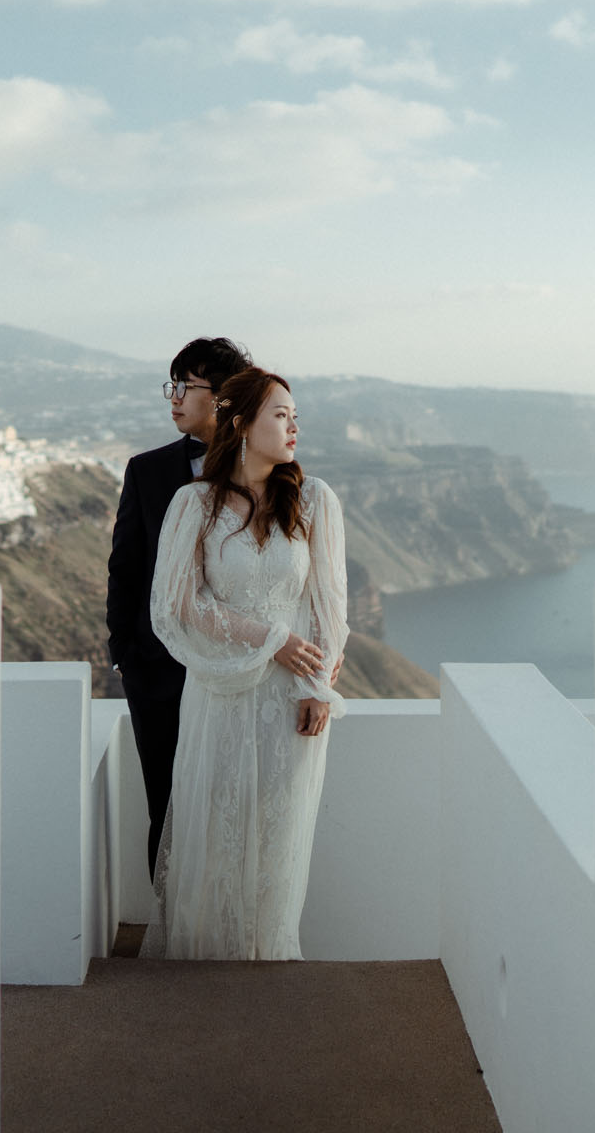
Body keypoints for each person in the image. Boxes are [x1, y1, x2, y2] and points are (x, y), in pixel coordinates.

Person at [144, 367, 348, 960]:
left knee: (277, 840)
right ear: (241, 423)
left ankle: (270, 965)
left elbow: (330, 605)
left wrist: (317, 683)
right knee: (215, 835)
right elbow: (179, 601)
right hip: (219, 692)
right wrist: (271, 638)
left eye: (295, 417)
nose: (294, 428)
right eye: (281, 415)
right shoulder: (194, 504)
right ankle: (205, 977)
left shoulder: (314, 499)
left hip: (291, 700)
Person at [107, 336, 253, 874]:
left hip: (239, 674)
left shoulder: (263, 472)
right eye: (172, 385)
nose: (173, 398)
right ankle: (168, 946)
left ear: (221, 399)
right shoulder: (145, 471)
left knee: (234, 808)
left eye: (185, 387)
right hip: (156, 674)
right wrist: (124, 651)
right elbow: (125, 569)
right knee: (165, 810)